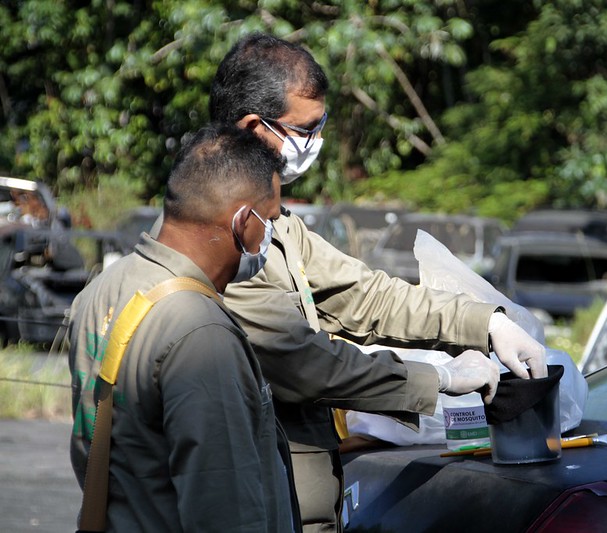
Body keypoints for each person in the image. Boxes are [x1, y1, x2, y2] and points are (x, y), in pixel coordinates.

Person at [208, 33, 547, 533]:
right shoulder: (222, 241)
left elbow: (366, 295)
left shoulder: (277, 226)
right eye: (306, 129)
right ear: (256, 130)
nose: (316, 142)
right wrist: (441, 381)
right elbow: (310, 365)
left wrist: (485, 323)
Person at [68, 124, 299, 532]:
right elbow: (226, 512)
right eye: (271, 220)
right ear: (244, 222)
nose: (272, 235)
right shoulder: (202, 334)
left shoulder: (101, 290)